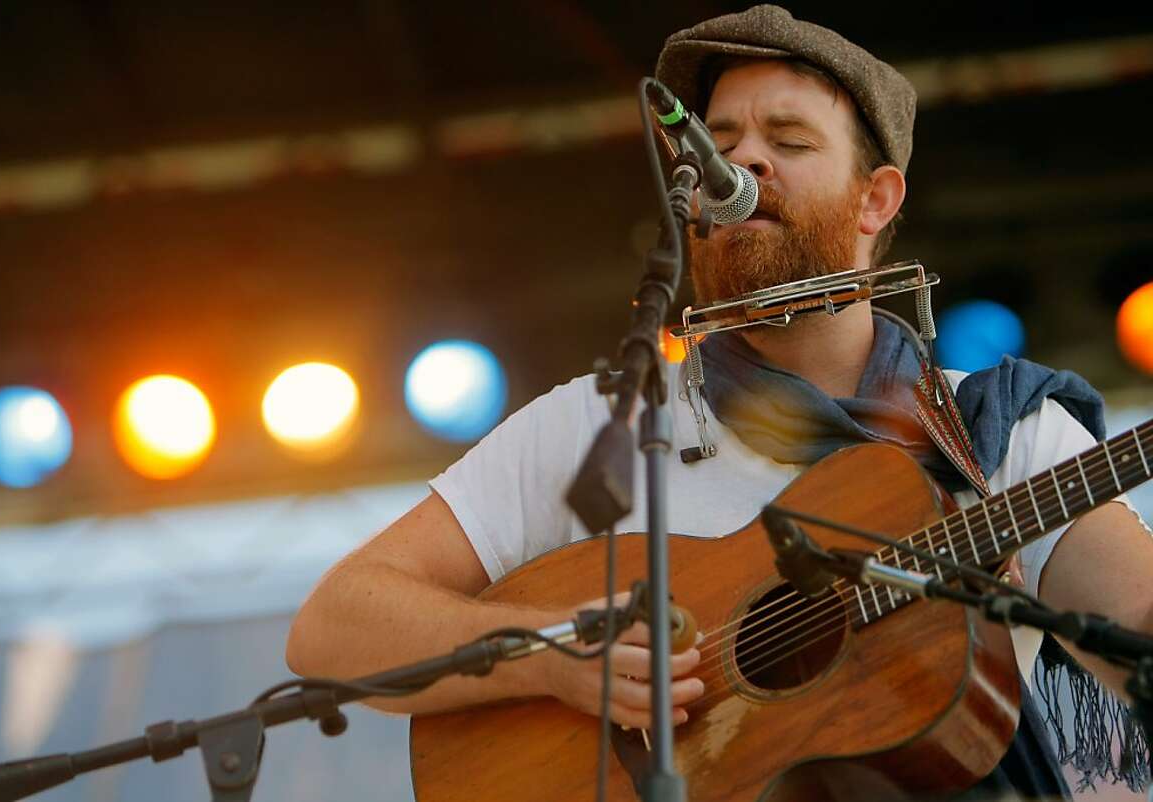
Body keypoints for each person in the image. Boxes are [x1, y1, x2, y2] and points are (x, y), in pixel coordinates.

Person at [286, 5, 1153, 799]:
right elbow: (332, 629)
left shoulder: (999, 430)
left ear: (875, 200)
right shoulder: (597, 424)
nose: (742, 160)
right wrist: (546, 653)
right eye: (719, 139)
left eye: (789, 138)